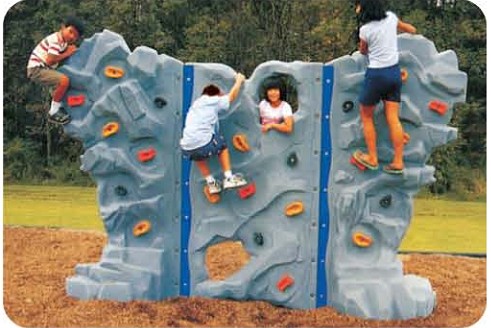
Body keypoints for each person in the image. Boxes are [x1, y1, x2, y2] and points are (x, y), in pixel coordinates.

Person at [351, 0, 416, 174]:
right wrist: (412, 31)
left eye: (358, 6)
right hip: (394, 73)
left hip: (376, 75)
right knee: (393, 118)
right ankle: (398, 161)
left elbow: (363, 51)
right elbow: (409, 29)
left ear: (365, 8)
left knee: (366, 115)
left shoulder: (365, 30)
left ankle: (372, 157)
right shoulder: (391, 18)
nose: (357, 9)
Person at [180, 73, 248, 194]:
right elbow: (231, 97)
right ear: (215, 95)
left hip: (186, 147)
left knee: (196, 153)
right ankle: (228, 177)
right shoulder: (210, 100)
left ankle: (211, 183)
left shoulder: (195, 105)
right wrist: (239, 81)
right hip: (203, 142)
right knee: (221, 145)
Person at [27, 16, 85, 125]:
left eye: (75, 36)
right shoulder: (56, 40)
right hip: (37, 69)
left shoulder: (63, 43)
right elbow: (50, 60)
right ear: (63, 27)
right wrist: (68, 53)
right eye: (71, 32)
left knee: (67, 80)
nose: (72, 37)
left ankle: (62, 103)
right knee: (64, 80)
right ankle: (53, 112)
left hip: (44, 68)